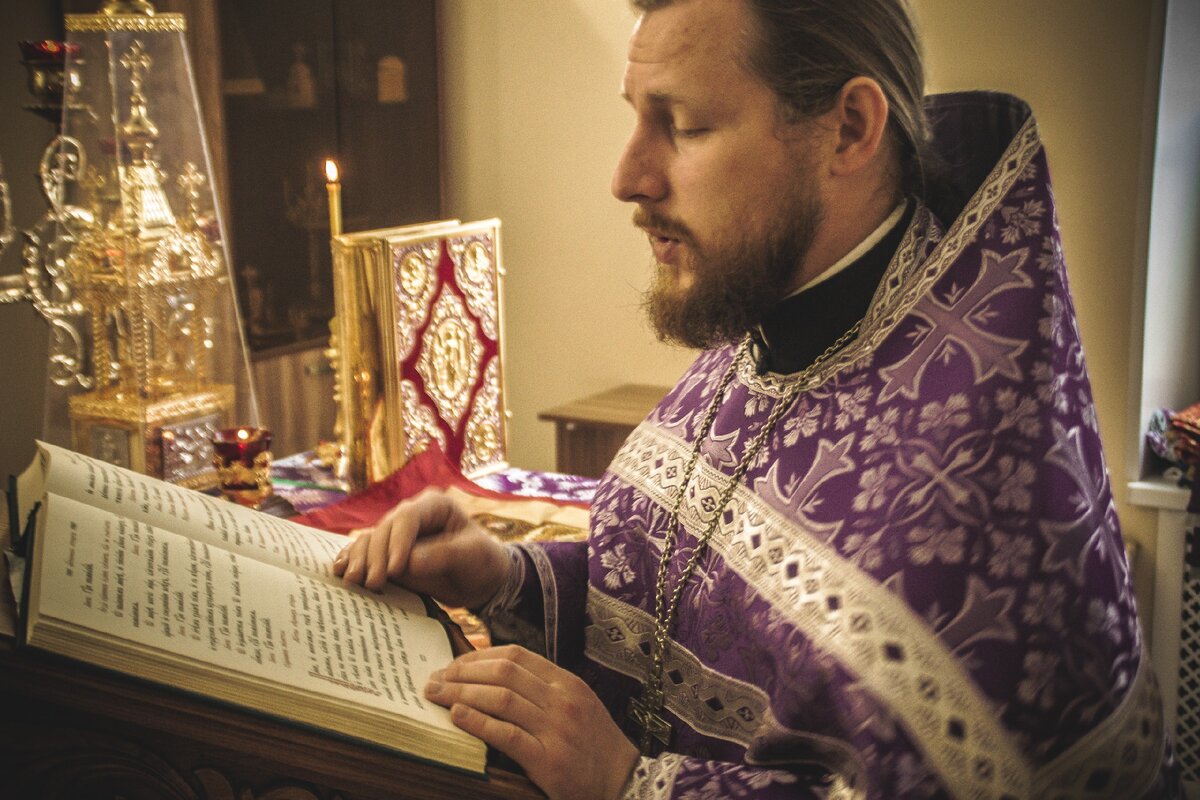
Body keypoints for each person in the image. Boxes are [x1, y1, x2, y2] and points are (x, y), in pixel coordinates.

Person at [335, 0, 1180, 797]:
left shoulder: (973, 497)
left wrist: (633, 781)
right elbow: (695, 597)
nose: (629, 176)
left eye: (685, 126)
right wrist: (504, 575)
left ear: (847, 129)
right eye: (635, 116)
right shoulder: (782, 315)